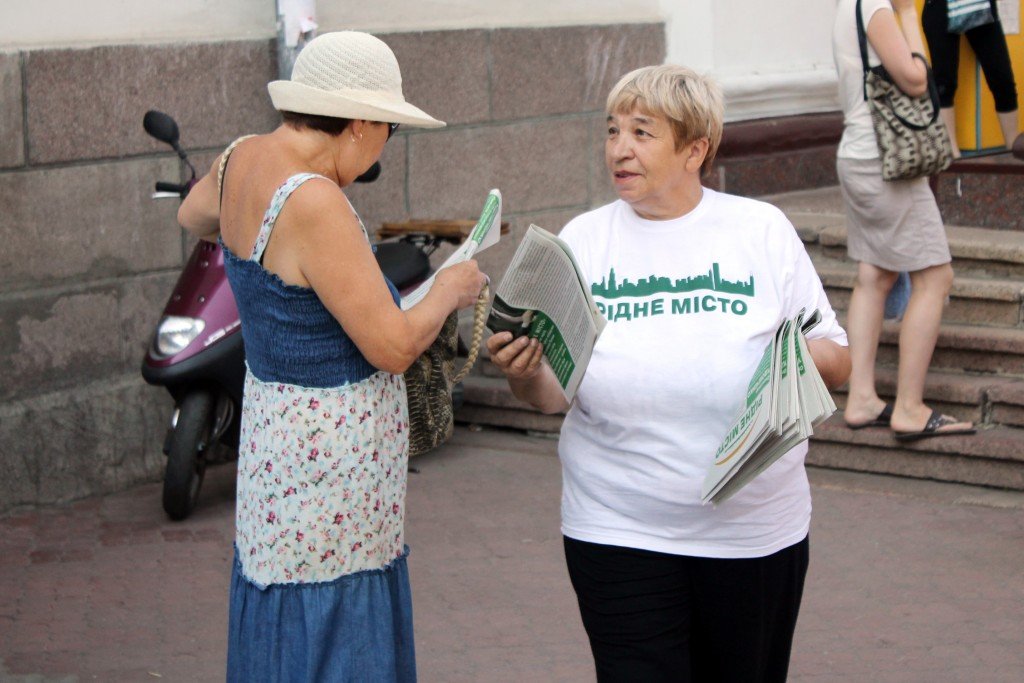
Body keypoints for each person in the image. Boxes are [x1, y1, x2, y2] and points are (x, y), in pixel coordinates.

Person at [487, 64, 851, 682]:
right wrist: (523, 375)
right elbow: (553, 396)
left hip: (752, 534)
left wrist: (791, 365)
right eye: (612, 131)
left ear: (695, 150)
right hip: (617, 526)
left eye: (642, 132)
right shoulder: (585, 241)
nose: (620, 149)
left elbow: (835, 355)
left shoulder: (759, 230)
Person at [177, 31, 486, 682]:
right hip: (331, 462)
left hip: (275, 439)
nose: (382, 147)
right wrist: (451, 289)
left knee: (281, 587)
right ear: (361, 123)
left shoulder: (242, 158)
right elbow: (395, 345)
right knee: (335, 621)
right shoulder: (316, 199)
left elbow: (192, 215)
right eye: (388, 131)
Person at [833, 0, 977, 441]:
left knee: (874, 276)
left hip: (859, 154)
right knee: (935, 276)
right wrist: (911, 15)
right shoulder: (879, 8)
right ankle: (910, 407)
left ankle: (860, 397)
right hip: (888, 160)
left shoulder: (848, 7)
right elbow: (915, 80)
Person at [921, 0, 1021, 157]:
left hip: (981, 6)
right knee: (944, 84)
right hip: (939, 8)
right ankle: (953, 157)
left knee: (1002, 78)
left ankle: (1015, 149)